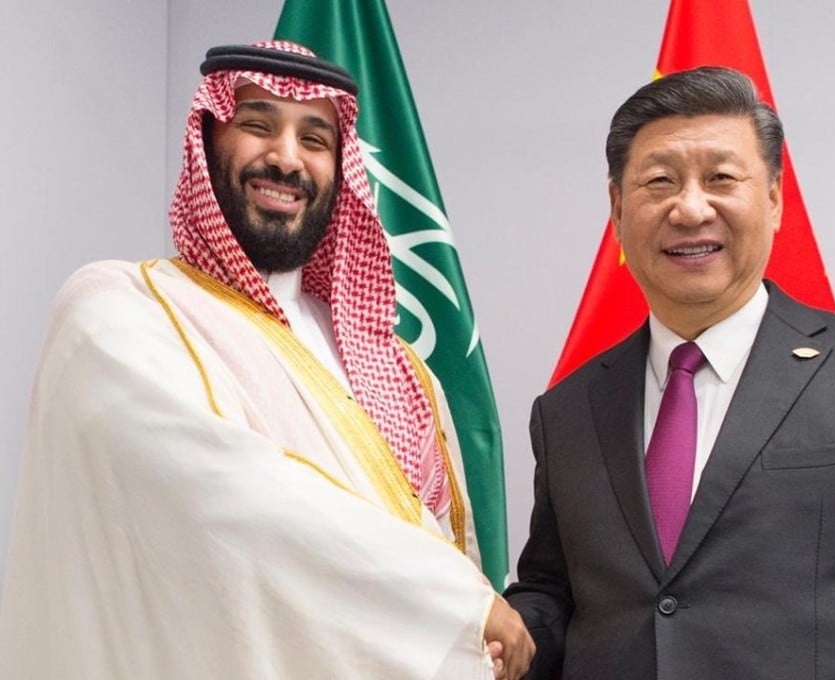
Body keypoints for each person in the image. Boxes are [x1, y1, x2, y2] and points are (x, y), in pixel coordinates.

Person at [0, 40, 533, 680]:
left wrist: (469, 621)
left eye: (315, 138)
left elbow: (444, 541)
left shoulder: (397, 367)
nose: (286, 158)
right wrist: (456, 605)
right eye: (257, 125)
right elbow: (223, 495)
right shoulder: (120, 308)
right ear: (207, 140)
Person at [504, 67, 835, 679]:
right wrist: (482, 627)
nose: (690, 208)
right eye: (659, 182)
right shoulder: (567, 410)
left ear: (773, 199)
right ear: (616, 209)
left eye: (721, 178)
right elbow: (554, 597)